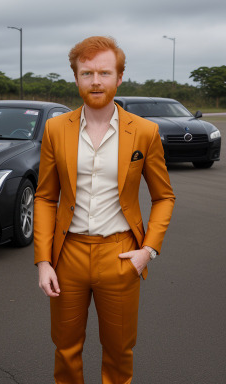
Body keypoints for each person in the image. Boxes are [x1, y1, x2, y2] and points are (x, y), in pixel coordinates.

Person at [34, 36, 175, 384]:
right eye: (87, 73)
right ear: (77, 78)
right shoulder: (55, 129)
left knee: (119, 351)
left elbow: (164, 196)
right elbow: (45, 197)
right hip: (68, 256)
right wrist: (43, 261)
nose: (96, 81)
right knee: (65, 350)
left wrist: (149, 251)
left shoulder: (145, 131)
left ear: (119, 77)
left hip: (122, 253)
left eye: (104, 73)